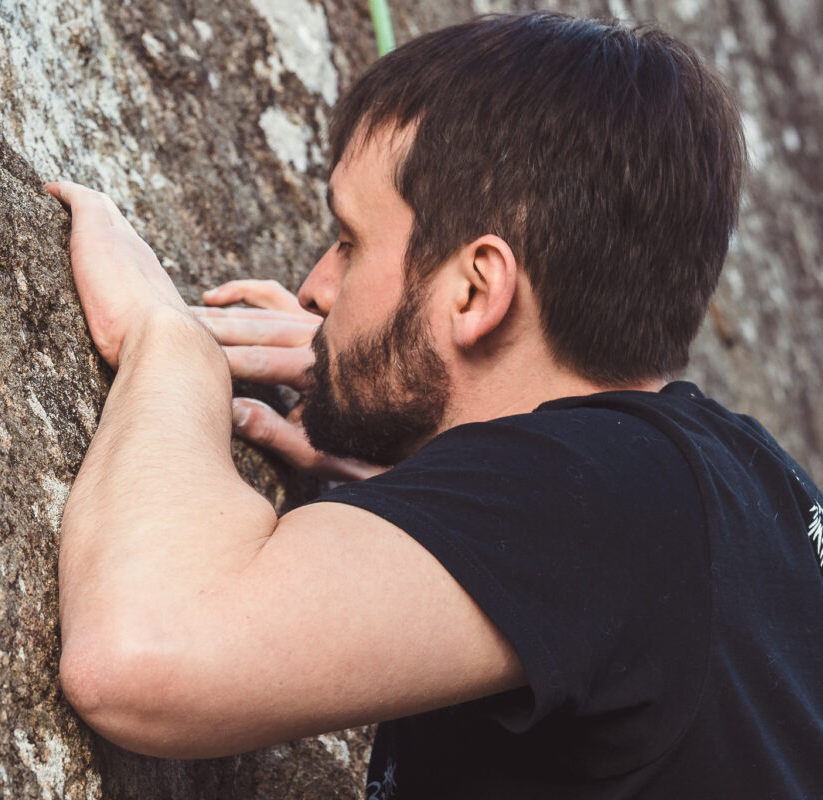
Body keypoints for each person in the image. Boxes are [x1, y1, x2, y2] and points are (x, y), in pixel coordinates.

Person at [44, 12, 823, 798]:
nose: (316, 287)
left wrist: (169, 341)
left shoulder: (592, 497)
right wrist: (422, 470)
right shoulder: (749, 486)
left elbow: (139, 653)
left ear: (478, 289)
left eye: (349, 242)